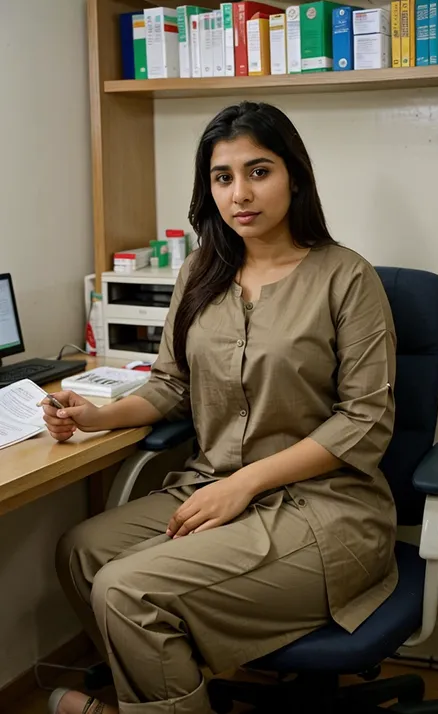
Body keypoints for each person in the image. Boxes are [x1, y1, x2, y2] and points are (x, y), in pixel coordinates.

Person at [44, 101, 397, 714]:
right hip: (212, 488)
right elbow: (171, 384)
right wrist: (96, 416)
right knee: (81, 550)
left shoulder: (347, 277)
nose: (241, 193)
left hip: (324, 510)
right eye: (222, 177)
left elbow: (366, 419)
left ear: (295, 176)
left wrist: (245, 484)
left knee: (128, 590)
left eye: (259, 172)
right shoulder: (201, 272)